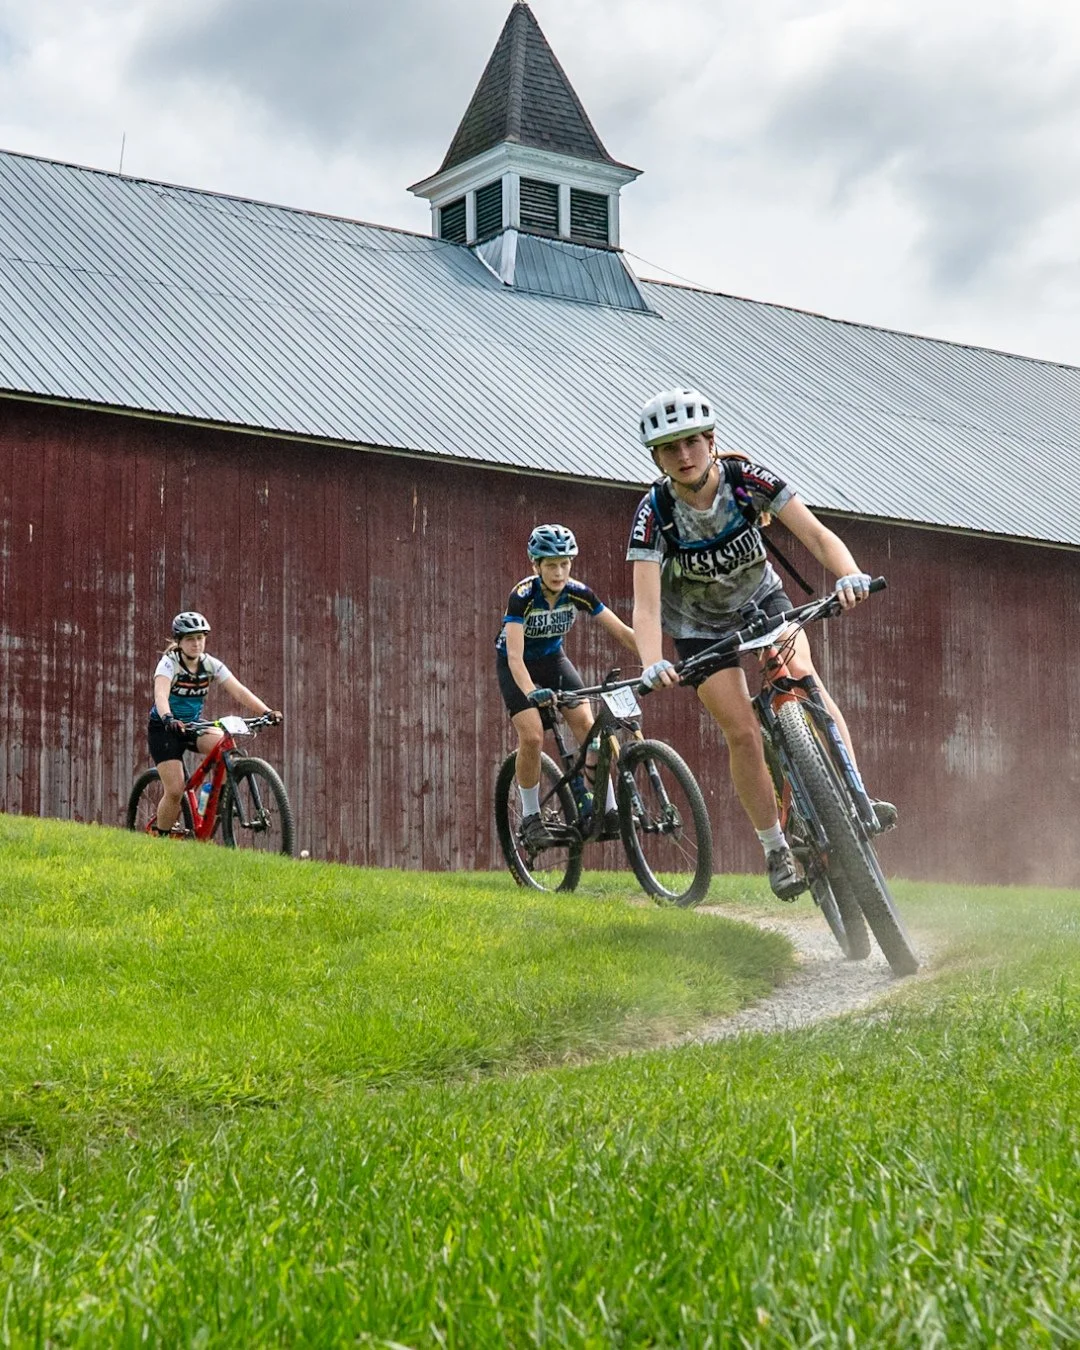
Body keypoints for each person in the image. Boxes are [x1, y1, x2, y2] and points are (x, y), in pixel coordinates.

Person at [627, 386, 894, 900]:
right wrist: (652, 661)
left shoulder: (748, 479)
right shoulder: (652, 513)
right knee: (744, 733)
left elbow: (817, 535)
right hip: (698, 628)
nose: (683, 456)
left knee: (804, 683)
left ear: (710, 440)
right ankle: (775, 848)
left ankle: (857, 798)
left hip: (762, 602)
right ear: (656, 457)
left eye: (691, 442)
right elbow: (647, 604)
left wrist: (849, 575)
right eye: (669, 448)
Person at [496, 524, 639, 848]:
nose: (559, 572)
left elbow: (621, 631)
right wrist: (531, 692)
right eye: (551, 565)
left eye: (565, 563)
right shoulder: (522, 596)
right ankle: (531, 816)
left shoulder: (578, 592)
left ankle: (606, 808)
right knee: (532, 735)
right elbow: (515, 657)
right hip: (517, 665)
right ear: (536, 565)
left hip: (553, 660)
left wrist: (655, 658)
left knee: (589, 726)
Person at [146, 611, 282, 835]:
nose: (196, 643)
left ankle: (211, 800)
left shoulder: (210, 665)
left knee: (226, 748)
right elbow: (160, 695)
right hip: (165, 729)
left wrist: (267, 711)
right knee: (175, 790)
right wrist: (168, 718)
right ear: (179, 642)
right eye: (190, 639)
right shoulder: (169, 664)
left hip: (193, 725)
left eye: (200, 638)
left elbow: (239, 691)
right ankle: (160, 835)